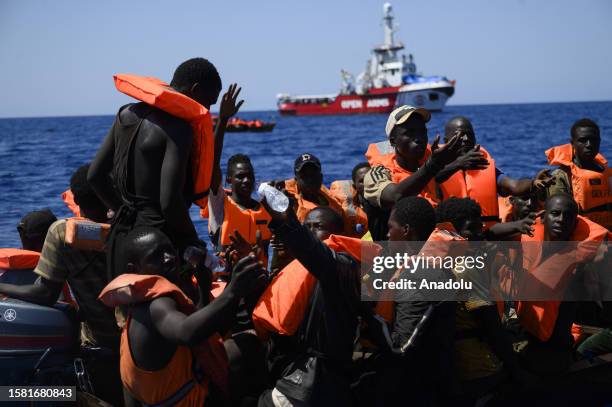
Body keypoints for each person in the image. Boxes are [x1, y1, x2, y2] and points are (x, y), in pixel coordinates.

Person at [88, 57, 243, 279]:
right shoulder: (178, 129)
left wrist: (126, 212)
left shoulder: (125, 114)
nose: (206, 110)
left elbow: (95, 176)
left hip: (121, 238)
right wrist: (193, 239)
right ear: (195, 90)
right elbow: (169, 202)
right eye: (208, 102)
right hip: (158, 248)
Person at [99, 226, 265, 406]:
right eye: (157, 256)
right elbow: (187, 332)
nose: (169, 258)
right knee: (248, 346)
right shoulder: (156, 305)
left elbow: (200, 327)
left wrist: (203, 284)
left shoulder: (138, 305)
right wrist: (232, 291)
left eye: (169, 250)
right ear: (135, 269)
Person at [0, 164, 123, 405]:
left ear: (78, 201)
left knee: (22, 393)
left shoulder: (64, 234)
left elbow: (44, 293)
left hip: (104, 346)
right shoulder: (134, 229)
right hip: (138, 340)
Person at [254, 205, 372, 407]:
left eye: (317, 226)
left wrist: (287, 220)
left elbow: (314, 252)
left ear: (339, 234)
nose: (310, 231)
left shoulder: (342, 266)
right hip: (295, 376)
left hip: (310, 385)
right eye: (306, 226)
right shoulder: (297, 268)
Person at [436, 197, 530, 403]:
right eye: (472, 229)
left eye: (481, 228)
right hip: (479, 371)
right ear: (452, 231)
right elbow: (491, 328)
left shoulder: (437, 258)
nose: (480, 235)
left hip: (451, 366)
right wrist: (517, 372)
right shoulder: (465, 268)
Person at [374, 196, 457, 406]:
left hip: (420, 387)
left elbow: (401, 348)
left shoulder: (417, 275)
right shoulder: (433, 264)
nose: (386, 234)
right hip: (440, 373)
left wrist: (370, 317)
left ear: (406, 230)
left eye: (390, 227)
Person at [515, 193, 609, 375]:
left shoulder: (580, 265)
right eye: (555, 213)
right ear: (543, 217)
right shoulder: (525, 242)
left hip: (555, 352)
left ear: (575, 222)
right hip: (524, 336)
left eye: (568, 216)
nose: (561, 220)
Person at [362, 105, 462, 240]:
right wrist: (432, 166)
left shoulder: (434, 169)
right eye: (409, 132)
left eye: (422, 132)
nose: (419, 138)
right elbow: (396, 195)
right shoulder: (377, 174)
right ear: (393, 140)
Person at [436, 116, 553, 228]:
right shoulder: (435, 167)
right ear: (446, 141)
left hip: (481, 233)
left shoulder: (484, 166)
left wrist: (533, 183)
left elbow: (514, 185)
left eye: (469, 135)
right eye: (459, 136)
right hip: (450, 234)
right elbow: (431, 181)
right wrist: (458, 164)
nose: (465, 140)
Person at [545, 118, 611, 230]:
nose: (589, 145)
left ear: (599, 141)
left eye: (594, 140)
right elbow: (558, 220)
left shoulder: (607, 174)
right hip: (581, 238)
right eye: (583, 140)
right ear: (572, 143)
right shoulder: (561, 176)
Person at [206, 153, 272, 258]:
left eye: (250, 176)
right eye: (240, 176)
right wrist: (217, 136)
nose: (246, 180)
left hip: (260, 273)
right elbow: (211, 166)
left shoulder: (266, 210)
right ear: (228, 179)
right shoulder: (219, 205)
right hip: (230, 273)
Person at [281, 153, 345, 223]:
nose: (309, 180)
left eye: (313, 175)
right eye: (304, 176)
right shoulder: (289, 203)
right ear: (296, 180)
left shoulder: (334, 204)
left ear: (321, 177)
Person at [330, 162, 370, 237]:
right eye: (362, 181)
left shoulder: (390, 203)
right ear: (355, 186)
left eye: (370, 179)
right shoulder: (342, 210)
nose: (367, 184)